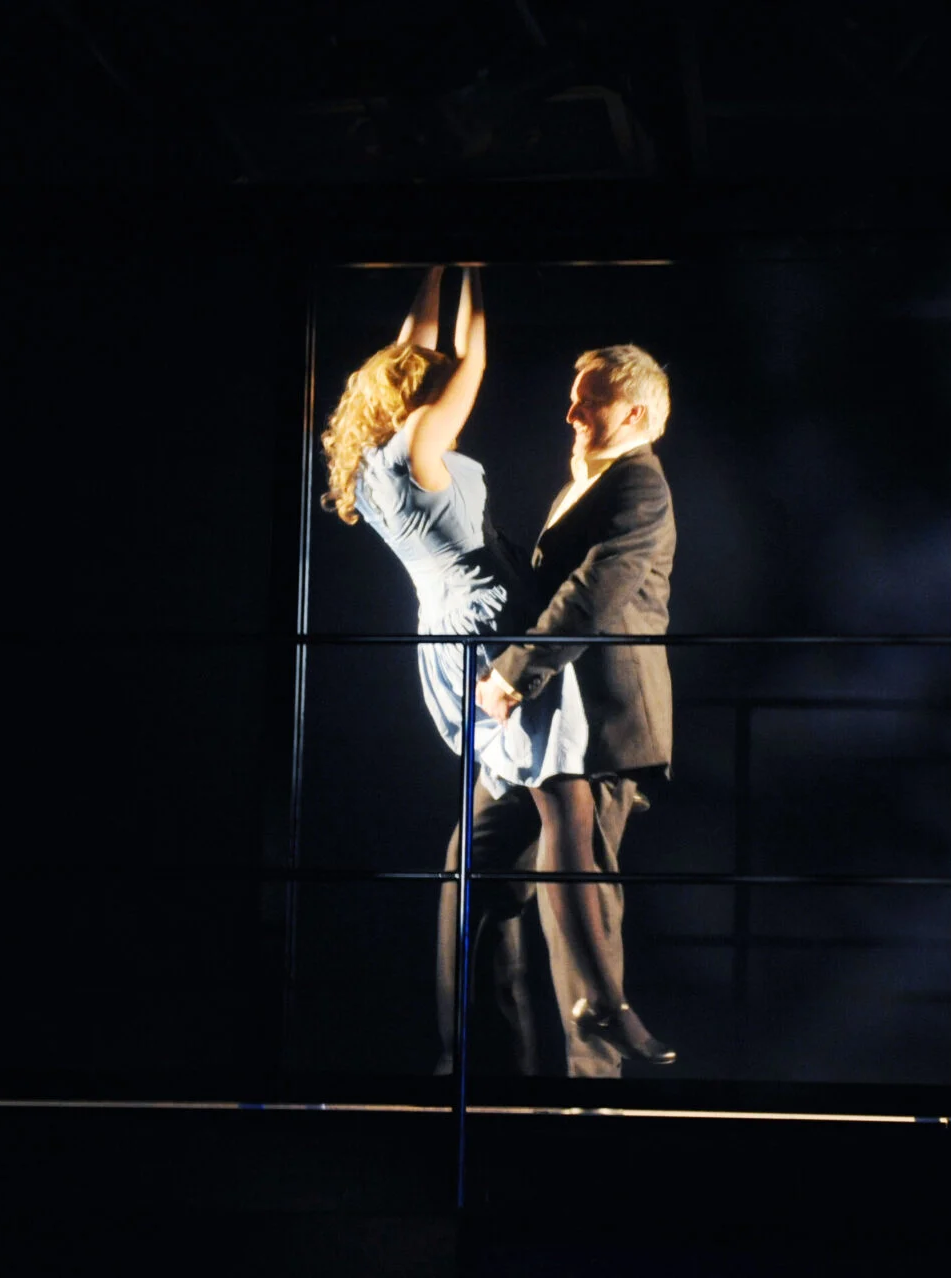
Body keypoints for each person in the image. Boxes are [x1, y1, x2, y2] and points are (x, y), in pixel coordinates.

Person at [321, 268, 664, 1077]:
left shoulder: (376, 455)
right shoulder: (417, 446)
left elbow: (419, 344)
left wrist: (442, 269)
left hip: (468, 635)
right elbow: (469, 360)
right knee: (563, 808)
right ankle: (598, 1008)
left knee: (487, 853)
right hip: (491, 639)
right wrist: (470, 265)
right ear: (418, 395)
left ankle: (486, 1051)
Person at [468, 342, 679, 1078]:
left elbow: (591, 596)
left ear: (636, 413)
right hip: (545, 730)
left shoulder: (640, 486)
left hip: (600, 729)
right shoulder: (592, 480)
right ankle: (488, 1073)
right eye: (575, 396)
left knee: (580, 915)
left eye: (590, 400)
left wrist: (512, 674)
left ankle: (591, 1099)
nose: (571, 413)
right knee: (477, 875)